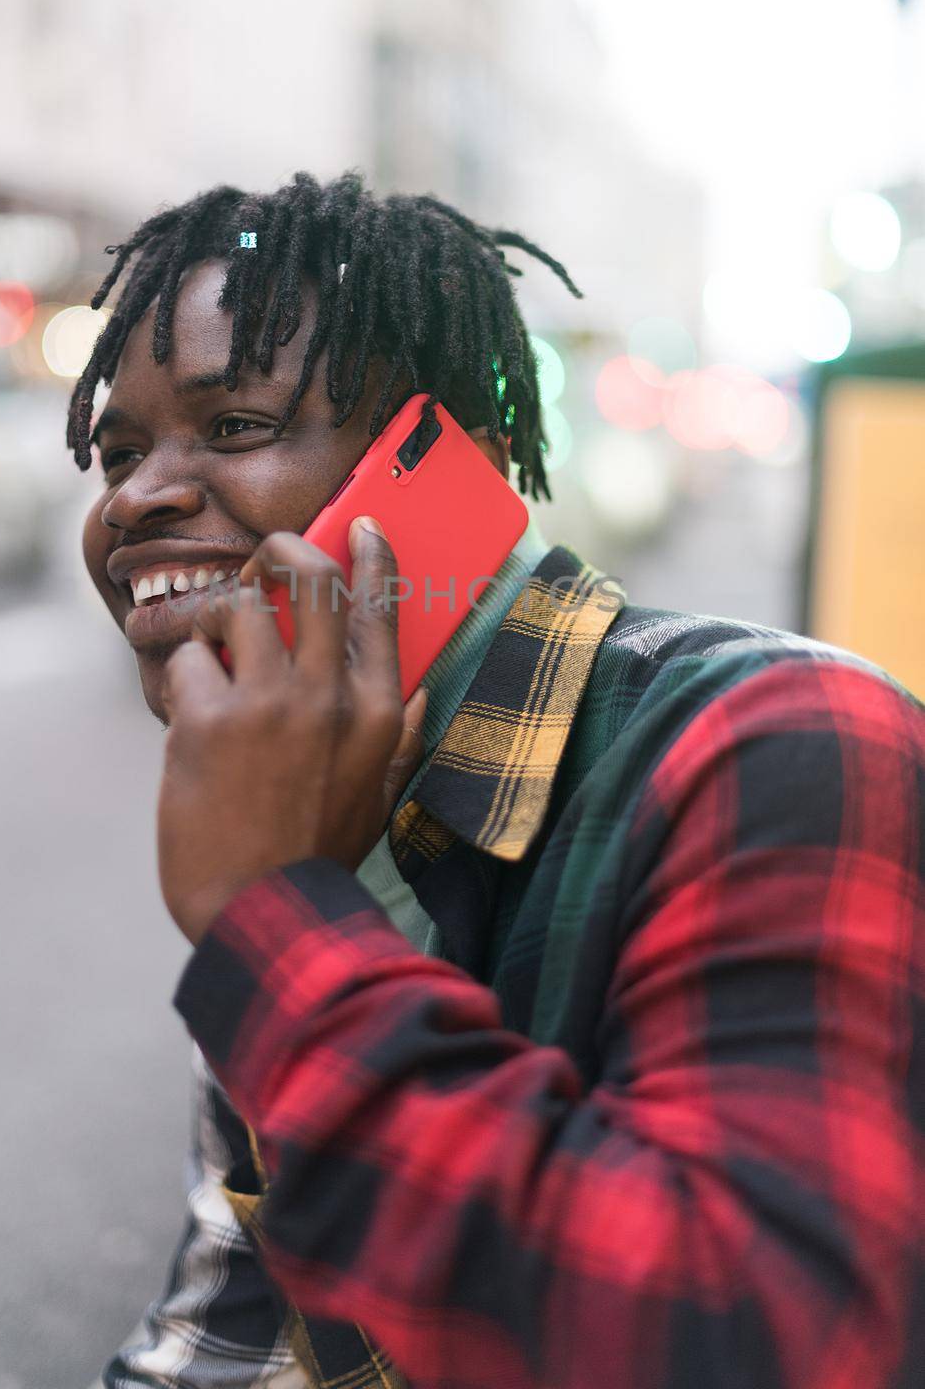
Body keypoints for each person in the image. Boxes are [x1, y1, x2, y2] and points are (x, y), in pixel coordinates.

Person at [73, 169, 924, 1389]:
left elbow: (765, 1341)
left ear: (444, 471)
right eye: (117, 453)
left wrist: (282, 933)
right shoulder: (322, 830)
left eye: (236, 427)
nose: (136, 499)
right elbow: (231, 1339)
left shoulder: (784, 742)